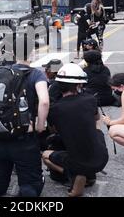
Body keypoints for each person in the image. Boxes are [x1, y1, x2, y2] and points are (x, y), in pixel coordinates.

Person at [0, 43, 49, 197]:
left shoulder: (0, 73)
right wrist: (40, 126)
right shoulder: (35, 74)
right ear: (32, 54)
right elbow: (44, 101)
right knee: (30, 184)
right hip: (24, 137)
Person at [42, 63, 108, 197]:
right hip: (102, 157)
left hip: (78, 160)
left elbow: (54, 131)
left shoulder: (55, 109)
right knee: (96, 131)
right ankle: (87, 174)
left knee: (45, 155)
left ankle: (76, 175)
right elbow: (96, 119)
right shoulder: (90, 99)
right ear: (80, 84)